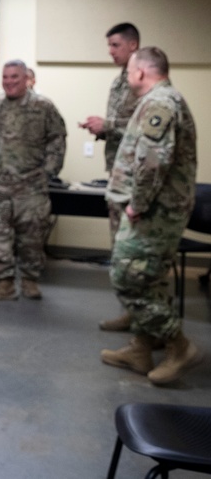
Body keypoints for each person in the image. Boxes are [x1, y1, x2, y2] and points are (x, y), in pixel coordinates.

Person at [100, 47, 200, 385]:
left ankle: (179, 345)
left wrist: (138, 204)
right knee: (151, 279)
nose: (126, 76)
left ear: (141, 72)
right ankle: (141, 348)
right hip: (156, 210)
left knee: (127, 277)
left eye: (129, 70)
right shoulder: (161, 99)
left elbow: (153, 161)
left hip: (153, 213)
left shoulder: (160, 103)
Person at [0, 60, 66, 301]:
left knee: (32, 238)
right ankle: (3, 283)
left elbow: (57, 139)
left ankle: (29, 281)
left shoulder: (43, 106)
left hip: (31, 187)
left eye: (15, 77)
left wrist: (48, 171)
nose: (9, 81)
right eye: (6, 77)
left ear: (26, 78)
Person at [78, 23, 141, 332]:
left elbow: (142, 122)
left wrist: (108, 125)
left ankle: (142, 317)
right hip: (118, 173)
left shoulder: (142, 77)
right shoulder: (121, 80)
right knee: (119, 248)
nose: (110, 51)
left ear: (132, 45)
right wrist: (101, 128)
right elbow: (122, 126)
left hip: (134, 178)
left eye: (115, 45)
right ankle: (130, 311)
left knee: (132, 250)